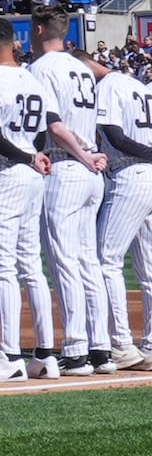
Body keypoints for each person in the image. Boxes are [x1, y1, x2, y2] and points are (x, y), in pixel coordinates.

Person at [25, 14, 112, 374]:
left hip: (69, 164)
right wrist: (91, 155)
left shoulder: (42, 68)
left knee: (64, 261)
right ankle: (100, 348)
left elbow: (55, 126)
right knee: (88, 261)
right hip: (91, 169)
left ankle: (75, 349)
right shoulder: (82, 68)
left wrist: (83, 155)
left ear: (41, 30)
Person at [0, 20, 57, 380]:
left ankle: (9, 355)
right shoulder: (33, 80)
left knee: (3, 268)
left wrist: (24, 157)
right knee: (31, 267)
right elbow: (41, 134)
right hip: (30, 175)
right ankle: (45, 354)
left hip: (5, 173)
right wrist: (32, 157)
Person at [94, 47, 152, 371]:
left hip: (131, 174)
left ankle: (121, 344)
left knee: (106, 260)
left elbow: (114, 136)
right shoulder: (138, 86)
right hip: (148, 176)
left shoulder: (108, 85)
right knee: (149, 270)